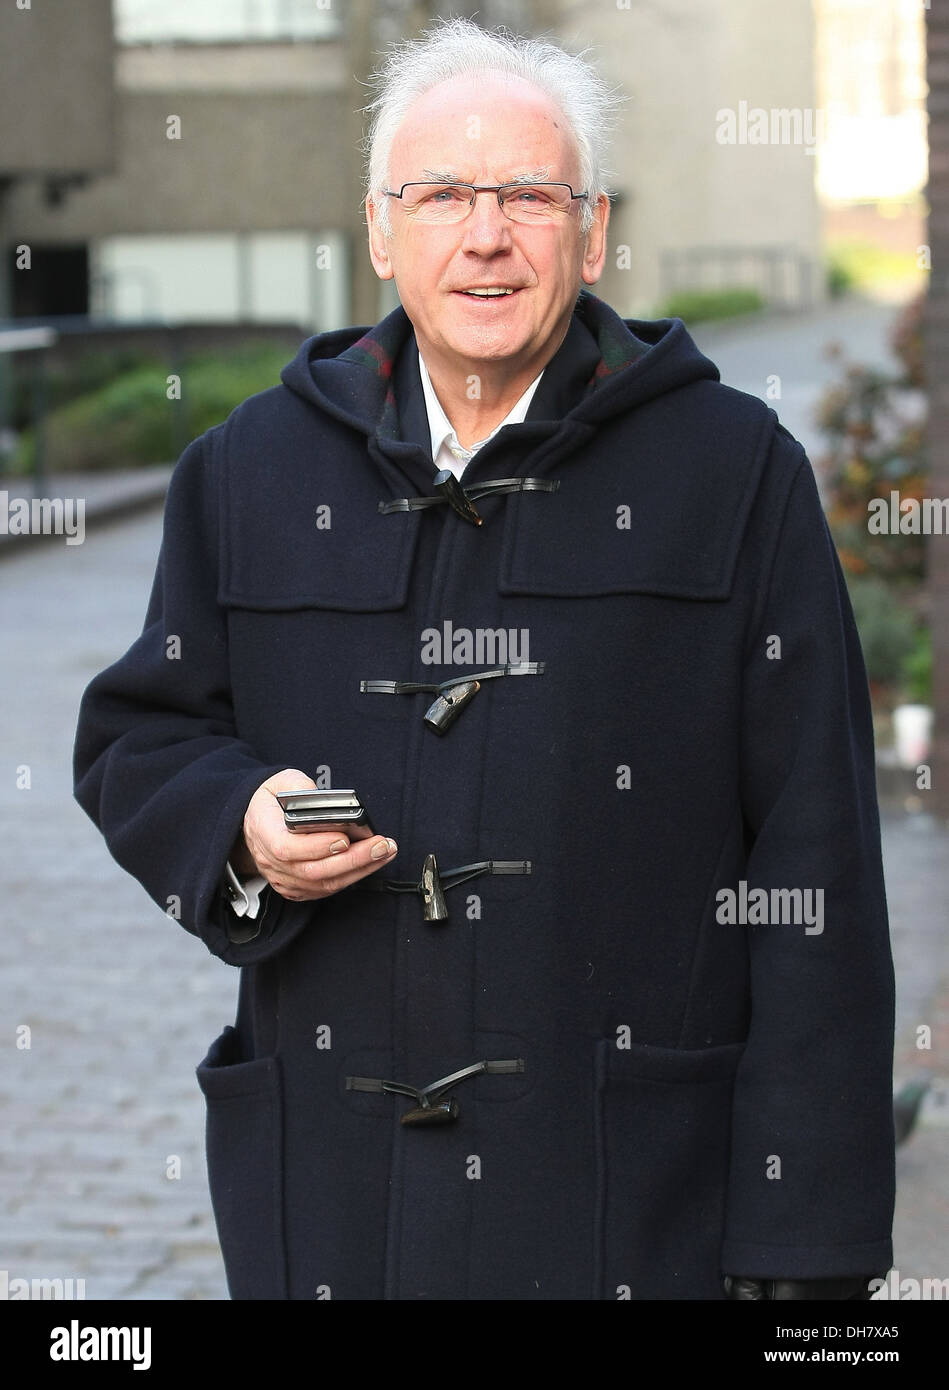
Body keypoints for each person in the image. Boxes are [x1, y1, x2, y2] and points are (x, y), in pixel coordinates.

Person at [73, 18, 895, 1301]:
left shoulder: (734, 474)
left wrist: (809, 1248)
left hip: (628, 1202)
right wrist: (238, 825)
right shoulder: (245, 471)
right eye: (441, 194)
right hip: (328, 1201)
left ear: (595, 231)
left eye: (528, 195)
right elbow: (139, 736)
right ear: (379, 229)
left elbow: (818, 862)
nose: (486, 232)